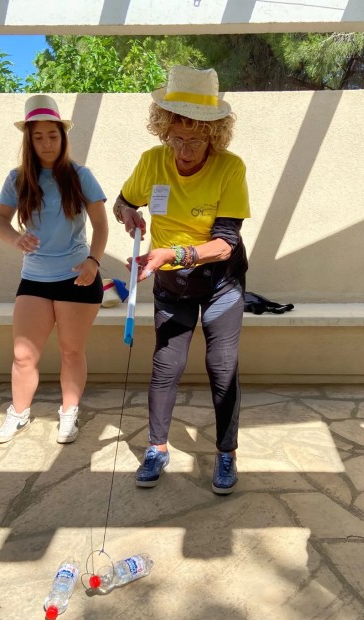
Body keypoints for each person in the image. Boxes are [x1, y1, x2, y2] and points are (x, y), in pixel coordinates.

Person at [113, 65, 250, 494]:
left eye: (196, 140)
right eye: (177, 138)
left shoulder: (230, 168)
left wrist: (171, 254)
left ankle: (226, 453)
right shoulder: (152, 161)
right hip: (172, 284)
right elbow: (122, 201)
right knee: (165, 366)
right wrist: (128, 214)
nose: (185, 150)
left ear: (214, 135)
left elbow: (225, 243)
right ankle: (157, 448)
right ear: (164, 129)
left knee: (221, 366)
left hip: (221, 282)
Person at [0, 94, 108, 445]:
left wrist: (93, 262)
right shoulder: (17, 179)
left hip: (78, 277)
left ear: (63, 136)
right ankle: (18, 414)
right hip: (34, 279)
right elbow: (0, 219)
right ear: (29, 140)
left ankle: (69, 413)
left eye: (52, 136)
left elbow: (101, 226)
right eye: (38, 137)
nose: (46, 143)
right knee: (23, 354)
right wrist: (15, 238)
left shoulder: (80, 175)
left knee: (72, 351)